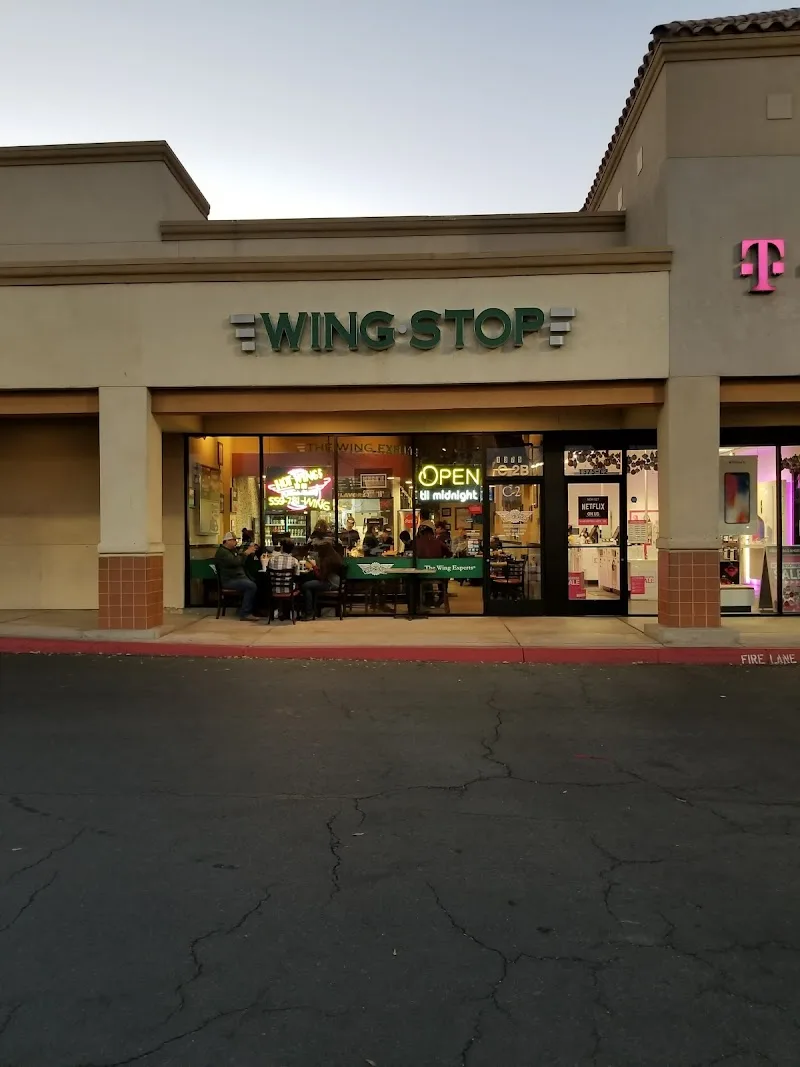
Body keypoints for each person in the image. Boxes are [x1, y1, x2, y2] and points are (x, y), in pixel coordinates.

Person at [214, 532, 259, 621]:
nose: (236, 542)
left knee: (255, 582)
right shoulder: (223, 553)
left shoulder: (231, 550)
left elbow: (239, 559)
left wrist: (246, 552)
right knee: (251, 586)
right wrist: (245, 553)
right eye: (234, 540)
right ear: (227, 541)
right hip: (230, 580)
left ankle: (249, 609)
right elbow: (236, 562)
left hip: (237, 577)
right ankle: (245, 613)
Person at [301, 542, 345, 619]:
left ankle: (309, 613)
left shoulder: (326, 560)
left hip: (330, 584)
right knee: (312, 585)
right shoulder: (335, 556)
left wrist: (314, 566)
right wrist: (316, 569)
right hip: (337, 582)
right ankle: (314, 610)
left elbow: (321, 577)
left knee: (306, 585)